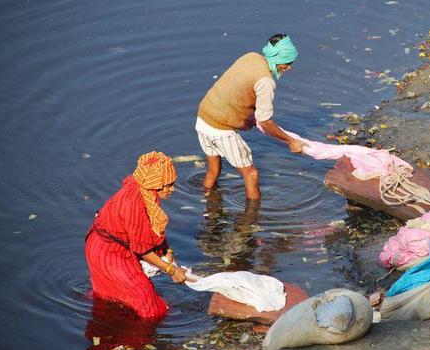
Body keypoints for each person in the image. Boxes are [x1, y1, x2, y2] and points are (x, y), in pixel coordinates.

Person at [195, 33, 306, 200]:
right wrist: (290, 141)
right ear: (278, 58)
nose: (289, 67)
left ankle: (206, 201)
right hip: (220, 129)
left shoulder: (251, 57)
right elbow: (265, 122)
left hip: (203, 117)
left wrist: (249, 118)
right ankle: (251, 221)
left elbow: (237, 91)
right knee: (251, 173)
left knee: (213, 169)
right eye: (287, 63)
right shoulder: (266, 81)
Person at [85, 151, 190, 320]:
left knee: (115, 295)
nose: (172, 189)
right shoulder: (134, 204)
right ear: (156, 183)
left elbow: (148, 228)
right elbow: (142, 249)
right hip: (108, 252)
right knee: (147, 303)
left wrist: (166, 249)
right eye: (169, 185)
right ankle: (140, 339)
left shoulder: (143, 187)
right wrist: (171, 270)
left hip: (107, 243)